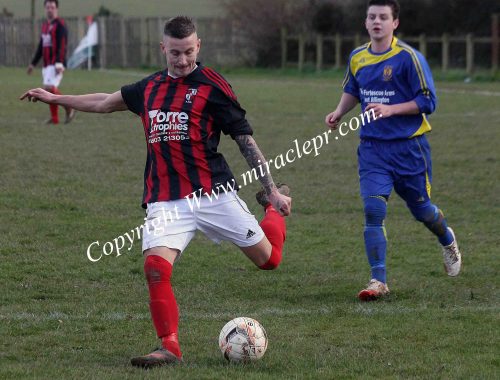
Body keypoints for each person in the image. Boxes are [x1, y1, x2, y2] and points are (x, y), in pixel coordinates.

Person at [21, 16, 291, 367]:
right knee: (154, 266)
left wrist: (270, 191)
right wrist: (55, 99)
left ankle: (273, 212)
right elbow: (104, 101)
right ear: (163, 48)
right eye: (175, 53)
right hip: (166, 201)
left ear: (199, 47)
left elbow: (244, 139)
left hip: (214, 194)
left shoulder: (213, 86)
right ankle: (170, 347)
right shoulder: (148, 89)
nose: (182, 60)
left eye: (189, 52)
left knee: (268, 260)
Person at [325, 0, 461, 301]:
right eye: (372, 16)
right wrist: (339, 113)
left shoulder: (409, 58)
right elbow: (353, 90)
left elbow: (429, 102)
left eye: (383, 17)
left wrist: (391, 109)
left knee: (422, 210)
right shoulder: (358, 57)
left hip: (410, 149)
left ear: (394, 23)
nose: (377, 22)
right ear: (365, 22)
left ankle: (447, 238)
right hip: (373, 148)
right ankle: (378, 280)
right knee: (373, 209)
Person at [27, 0, 75, 124]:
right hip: (46, 63)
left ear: (56, 9)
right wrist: (33, 63)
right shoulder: (45, 26)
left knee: (49, 88)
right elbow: (41, 46)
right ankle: (55, 118)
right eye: (48, 7)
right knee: (48, 90)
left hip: (56, 63)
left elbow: (63, 45)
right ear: (45, 9)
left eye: (52, 7)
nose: (50, 9)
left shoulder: (60, 25)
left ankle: (68, 106)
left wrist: (59, 62)